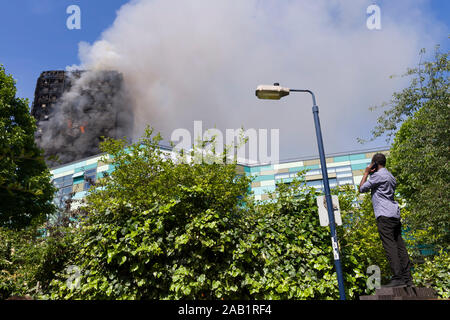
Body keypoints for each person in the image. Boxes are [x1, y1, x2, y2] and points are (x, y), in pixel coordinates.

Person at [359, 153, 413, 288]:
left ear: (375, 164)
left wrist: (366, 173)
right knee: (400, 246)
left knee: (390, 246)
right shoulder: (390, 176)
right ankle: (408, 278)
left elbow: (361, 189)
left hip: (384, 215)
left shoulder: (378, 176)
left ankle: (398, 277)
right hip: (394, 214)